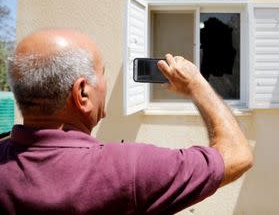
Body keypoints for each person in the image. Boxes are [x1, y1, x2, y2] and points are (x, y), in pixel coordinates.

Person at [0, 28, 253, 214]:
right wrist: (197, 85)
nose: (105, 83)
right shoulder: (129, 169)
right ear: (82, 94)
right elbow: (238, 156)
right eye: (102, 73)